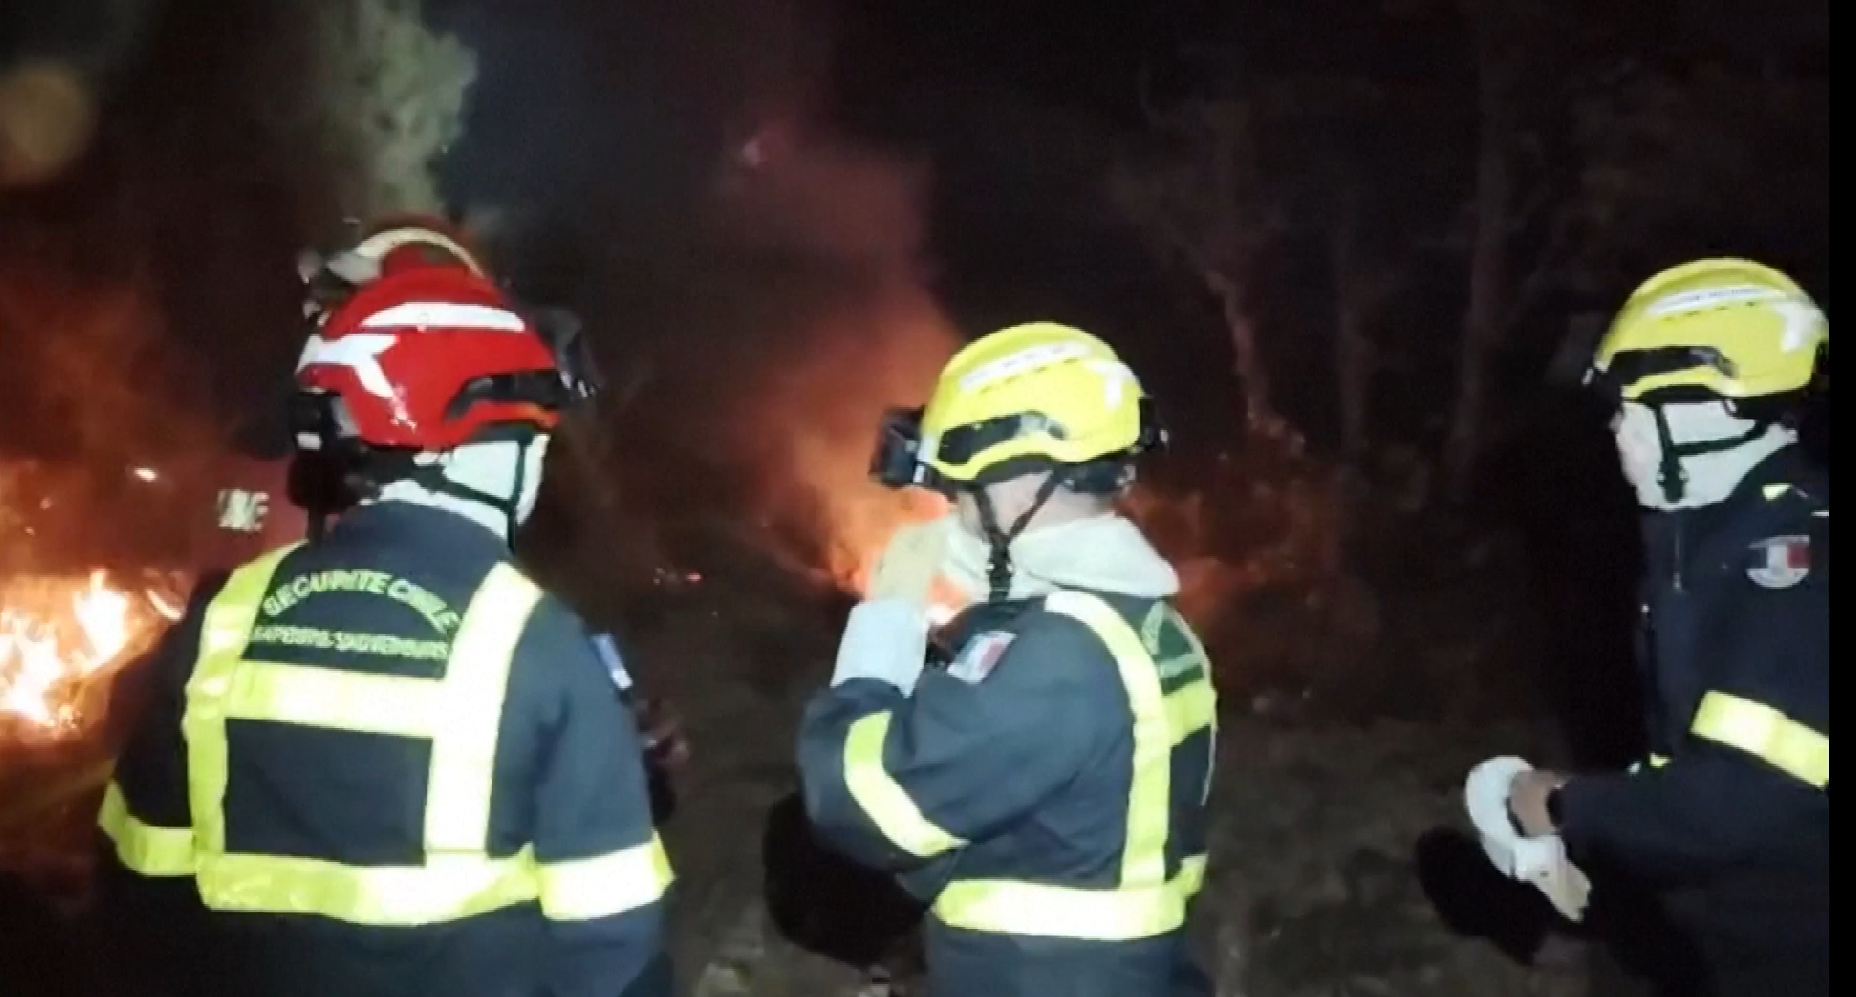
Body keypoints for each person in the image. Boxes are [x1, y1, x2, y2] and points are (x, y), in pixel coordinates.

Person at [93, 224, 675, 997]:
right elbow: (614, 951)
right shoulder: (537, 646)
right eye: (526, 445)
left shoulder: (219, 622)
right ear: (465, 451)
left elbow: (140, 887)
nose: (534, 470)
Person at [796, 321, 1219, 997]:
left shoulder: (1062, 661)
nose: (953, 512)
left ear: (1024, 487)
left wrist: (883, 629)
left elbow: (858, 805)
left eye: (964, 491)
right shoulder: (1149, 627)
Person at [1507, 259, 1828, 997]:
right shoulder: (1716, 542)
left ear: (1712, 412)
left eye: (1633, 408)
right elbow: (1704, 762)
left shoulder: (1795, 569)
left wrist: (1563, 806)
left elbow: (1746, 801)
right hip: (1737, 937)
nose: (1616, 429)